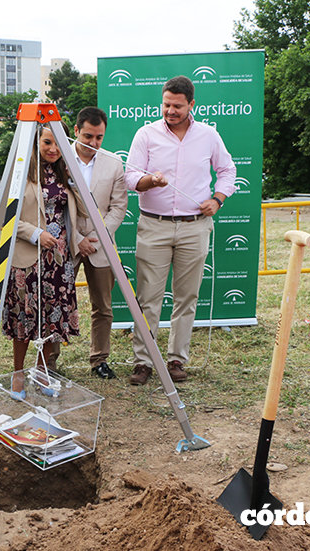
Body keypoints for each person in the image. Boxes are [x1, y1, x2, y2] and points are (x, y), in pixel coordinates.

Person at [125, 75, 236, 385]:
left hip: (195, 227)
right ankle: (143, 362)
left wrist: (218, 199)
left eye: (177, 106)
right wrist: (150, 181)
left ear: (191, 105)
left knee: (187, 297)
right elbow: (131, 177)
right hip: (154, 225)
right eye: (166, 104)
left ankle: (176, 360)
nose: (170, 111)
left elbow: (228, 171)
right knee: (149, 298)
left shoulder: (209, 136)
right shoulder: (146, 135)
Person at [2, 122, 95, 398]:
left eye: (58, 144)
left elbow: (83, 208)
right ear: (35, 143)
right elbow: (7, 219)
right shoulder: (21, 174)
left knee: (52, 317)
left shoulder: (63, 172)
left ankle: (41, 371)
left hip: (59, 259)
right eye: (47, 143)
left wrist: (71, 173)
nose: (53, 149)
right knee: (24, 316)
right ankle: (18, 373)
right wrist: (35, 234)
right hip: (29, 259)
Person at [72, 107, 128, 380]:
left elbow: (119, 207)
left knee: (103, 307)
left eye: (99, 137)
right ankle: (50, 359)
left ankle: (99, 359)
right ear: (75, 131)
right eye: (88, 136)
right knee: (58, 302)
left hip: (101, 245)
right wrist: (76, 239)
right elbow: (52, 207)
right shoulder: (59, 157)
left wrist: (98, 237)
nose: (93, 143)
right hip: (66, 244)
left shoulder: (114, 162)